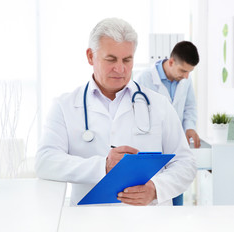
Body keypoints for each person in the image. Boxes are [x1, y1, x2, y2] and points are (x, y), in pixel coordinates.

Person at [35, 18, 196, 206]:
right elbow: (45, 162)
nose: (120, 69)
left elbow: (186, 163)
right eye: (111, 59)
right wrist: (102, 166)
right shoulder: (65, 106)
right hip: (90, 220)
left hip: (148, 220)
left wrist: (155, 189)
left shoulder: (158, 104)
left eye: (127, 60)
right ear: (90, 56)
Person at [135, 41, 200, 205]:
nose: (186, 76)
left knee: (175, 187)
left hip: (175, 144)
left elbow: (190, 106)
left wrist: (190, 127)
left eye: (189, 72)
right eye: (183, 70)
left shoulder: (185, 80)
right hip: (152, 145)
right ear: (171, 62)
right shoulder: (144, 79)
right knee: (155, 195)